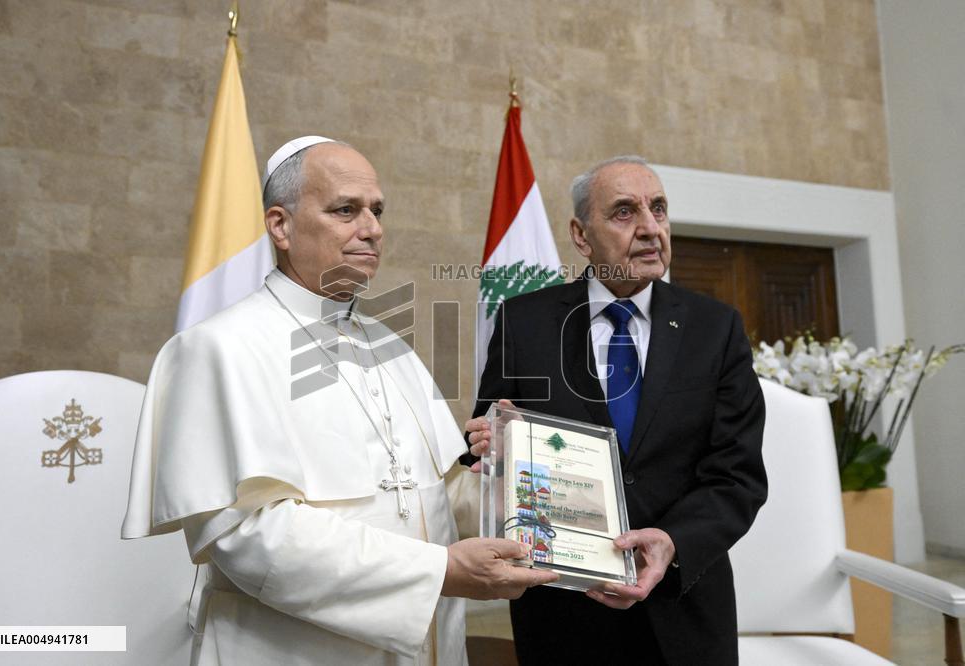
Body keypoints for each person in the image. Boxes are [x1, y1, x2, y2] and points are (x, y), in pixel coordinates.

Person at [122, 136, 556, 665]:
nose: (372, 229)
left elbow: (436, 502)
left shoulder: (392, 346)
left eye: (377, 211)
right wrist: (438, 570)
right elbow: (249, 535)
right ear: (280, 226)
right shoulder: (218, 348)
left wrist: (506, 476)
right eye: (345, 210)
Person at [466, 155, 767, 665]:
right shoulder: (526, 323)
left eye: (659, 209)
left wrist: (673, 542)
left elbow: (738, 475)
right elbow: (484, 447)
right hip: (563, 613)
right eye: (625, 212)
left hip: (685, 610)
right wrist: (491, 451)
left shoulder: (715, 328)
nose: (651, 228)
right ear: (582, 236)